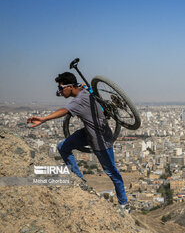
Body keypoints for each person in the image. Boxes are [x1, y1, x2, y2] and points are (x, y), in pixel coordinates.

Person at [27, 72, 130, 216]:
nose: (60, 92)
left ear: (69, 87)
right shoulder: (84, 90)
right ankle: (79, 180)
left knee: (112, 172)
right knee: (63, 146)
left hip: (100, 139)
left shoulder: (79, 100)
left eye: (61, 89)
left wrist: (44, 119)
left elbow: (64, 110)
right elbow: (86, 87)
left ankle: (124, 204)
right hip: (88, 132)